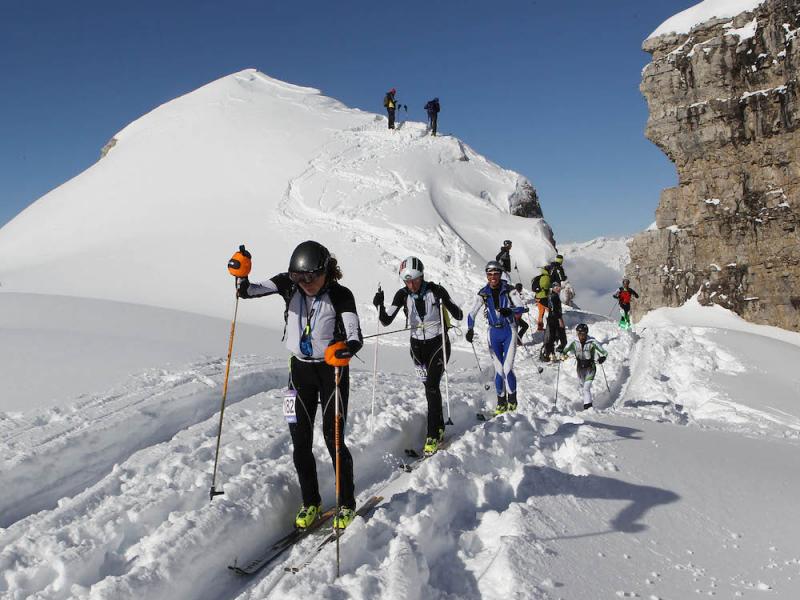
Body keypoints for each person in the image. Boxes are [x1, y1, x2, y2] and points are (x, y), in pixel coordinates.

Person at [237, 241, 363, 529]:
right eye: (299, 277)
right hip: (299, 372)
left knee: (333, 439)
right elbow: (246, 292)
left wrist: (344, 348)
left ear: (326, 272)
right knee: (300, 442)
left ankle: (346, 504)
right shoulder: (288, 284)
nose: (306, 283)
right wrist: (241, 271)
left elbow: (355, 335)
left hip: (331, 372)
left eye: (312, 277)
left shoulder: (341, 295)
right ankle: (311, 502)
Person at [373, 257, 463, 455]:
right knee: (430, 388)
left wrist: (444, 300)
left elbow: (459, 315)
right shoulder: (402, 294)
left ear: (422, 277)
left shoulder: (435, 290)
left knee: (431, 386)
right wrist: (379, 306)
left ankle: (432, 434)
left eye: (414, 280)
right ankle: (438, 427)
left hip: (438, 344)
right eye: (407, 281)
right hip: (416, 347)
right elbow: (386, 320)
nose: (411, 285)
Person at [466, 261, 526, 414]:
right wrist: (470, 329)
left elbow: (521, 307)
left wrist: (510, 310)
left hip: (509, 331)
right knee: (498, 370)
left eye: (496, 274)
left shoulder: (509, 290)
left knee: (507, 369)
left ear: (500, 274)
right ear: (487, 275)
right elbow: (472, 313)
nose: (493, 277)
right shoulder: (483, 293)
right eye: (490, 274)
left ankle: (512, 400)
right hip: (493, 333)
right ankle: (501, 403)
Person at [562, 323, 608, 410]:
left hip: (590, 367)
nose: (581, 336)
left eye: (583, 334)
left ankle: (588, 407)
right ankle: (587, 404)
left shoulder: (592, 342)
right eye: (579, 334)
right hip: (579, 368)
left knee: (586, 388)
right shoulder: (573, 342)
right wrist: (563, 355)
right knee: (583, 387)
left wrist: (603, 358)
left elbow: (604, 352)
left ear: (586, 333)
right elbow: (564, 351)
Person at [541, 281, 567, 361]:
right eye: (558, 287)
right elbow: (554, 309)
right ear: (554, 287)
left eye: (559, 287)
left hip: (551, 318)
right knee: (562, 338)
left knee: (552, 337)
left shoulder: (551, 295)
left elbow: (544, 302)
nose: (559, 289)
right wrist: (560, 319)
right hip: (555, 318)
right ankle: (556, 353)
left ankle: (550, 353)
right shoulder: (554, 296)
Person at [531, 265, 551, 330]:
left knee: (541, 313)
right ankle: (553, 326)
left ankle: (540, 327)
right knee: (551, 311)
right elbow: (546, 286)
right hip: (543, 297)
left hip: (538, 297)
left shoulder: (540, 276)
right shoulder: (546, 277)